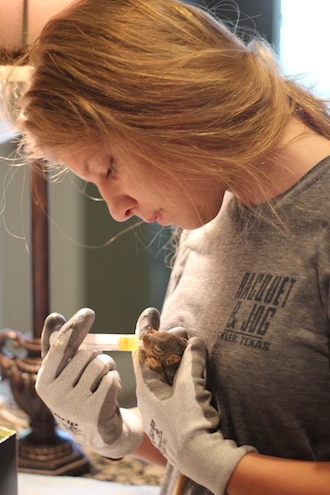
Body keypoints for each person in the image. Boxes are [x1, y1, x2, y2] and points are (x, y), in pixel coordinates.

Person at [14, 0, 330, 493]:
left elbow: (208, 456)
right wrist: (118, 432)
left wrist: (219, 465)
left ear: (171, 106)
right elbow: (198, 443)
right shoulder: (212, 208)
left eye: (110, 169)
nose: (116, 209)